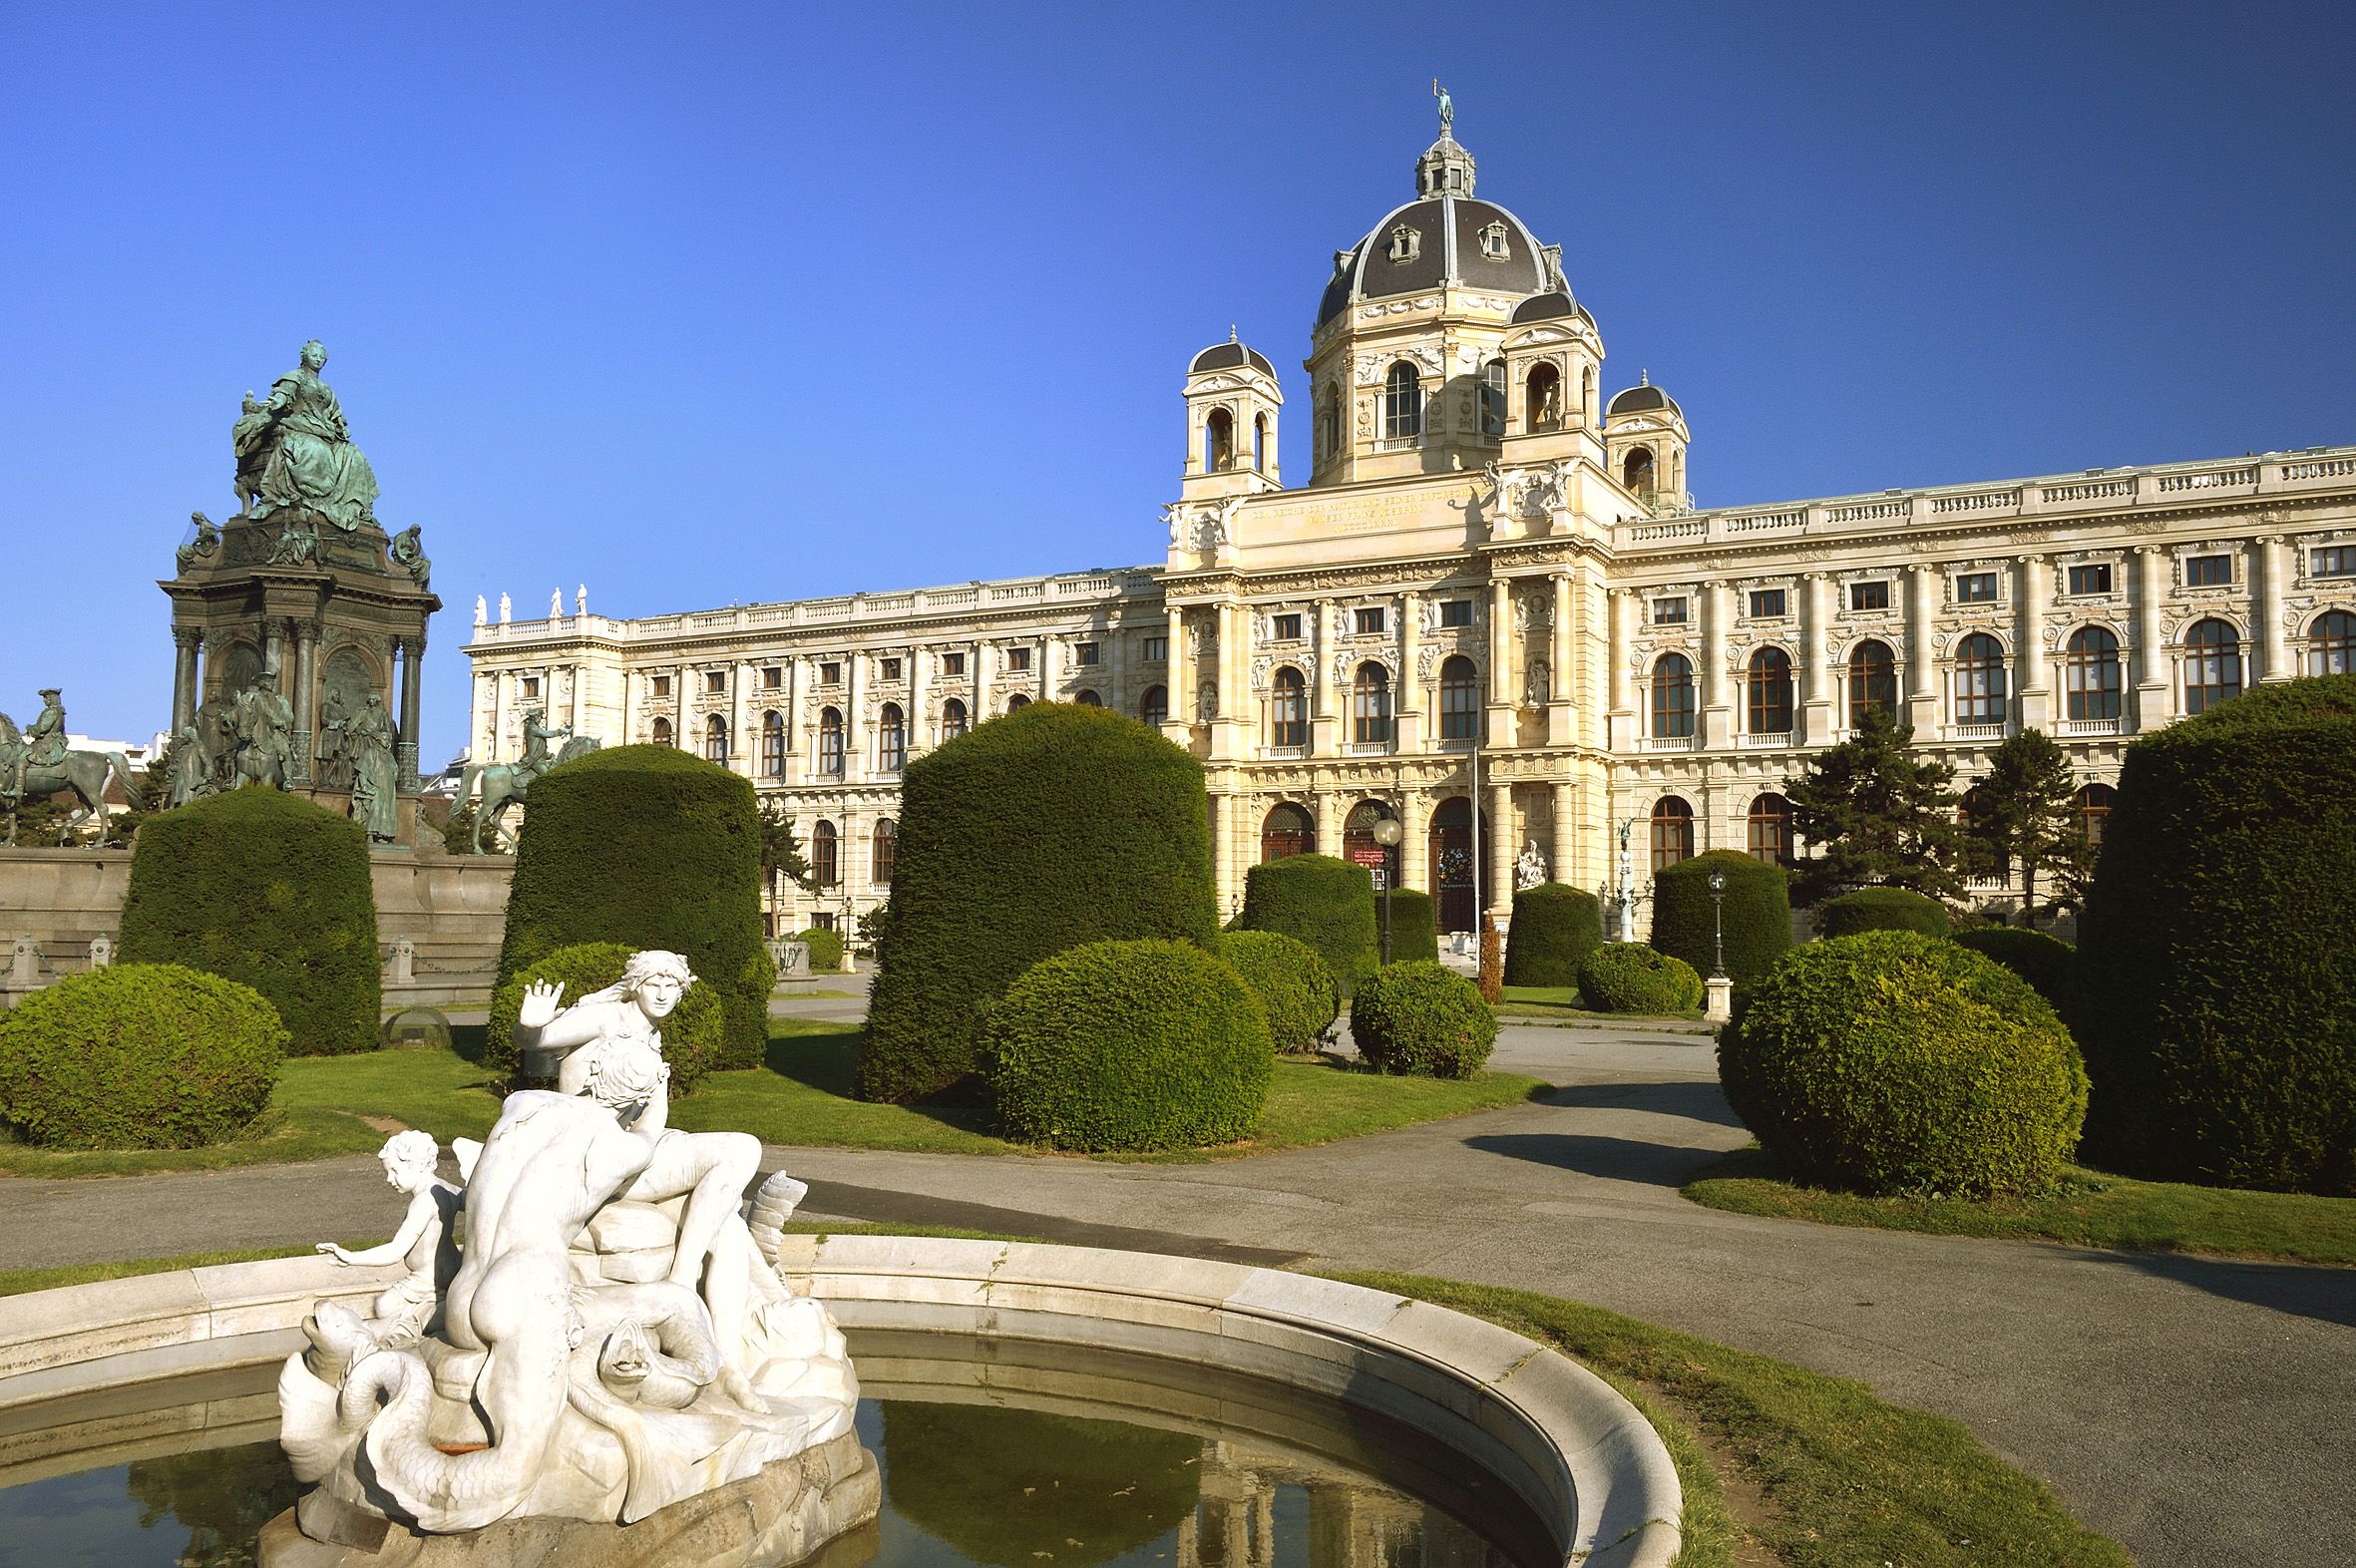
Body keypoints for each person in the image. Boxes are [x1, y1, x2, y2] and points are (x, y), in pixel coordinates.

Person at [513, 953, 765, 1391]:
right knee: (727, 1208)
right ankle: (687, 1298)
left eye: (673, 986)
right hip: (595, 1162)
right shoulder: (604, 1017)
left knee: (740, 1163)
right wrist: (529, 1026)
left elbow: (648, 1118)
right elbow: (537, 1041)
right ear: (635, 985)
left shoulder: (650, 1033)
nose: (664, 994)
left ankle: (708, 1330)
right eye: (654, 985)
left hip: (637, 1148)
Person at [316, 1130, 462, 1337]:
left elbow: (395, 1251)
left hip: (426, 1281)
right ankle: (439, 1311)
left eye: (394, 1170)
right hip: (447, 1272)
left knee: (384, 1307)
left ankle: (432, 1316)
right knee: (385, 1306)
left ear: (416, 1164)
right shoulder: (448, 1189)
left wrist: (352, 1257)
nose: (388, 1178)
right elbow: (476, 1200)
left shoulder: (423, 1202)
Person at [246, 341, 380, 531]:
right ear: (304, 356)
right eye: (314, 355)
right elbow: (284, 394)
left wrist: (340, 426)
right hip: (299, 428)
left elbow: (335, 414)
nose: (318, 359)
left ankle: (351, 504)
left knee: (353, 454)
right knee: (316, 450)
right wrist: (278, 401)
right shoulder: (295, 377)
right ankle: (313, 498)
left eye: (321, 356)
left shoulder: (326, 388)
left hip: (325, 433)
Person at [348, 694, 400, 843]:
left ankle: (385, 835)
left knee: (387, 811)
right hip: (376, 786)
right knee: (375, 809)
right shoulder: (371, 753)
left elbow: (394, 769)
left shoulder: (389, 756)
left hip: (388, 788)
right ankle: (371, 833)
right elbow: (363, 770)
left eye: (389, 740)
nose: (388, 742)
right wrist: (364, 785)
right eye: (385, 740)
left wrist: (395, 773)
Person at [9, 689, 65, 801]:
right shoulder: (59, 711)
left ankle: (18, 789)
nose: (44, 700)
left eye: (46, 698)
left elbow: (42, 729)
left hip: (47, 744)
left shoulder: (51, 712)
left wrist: (30, 729)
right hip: (48, 742)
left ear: (51, 699)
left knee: (21, 759)